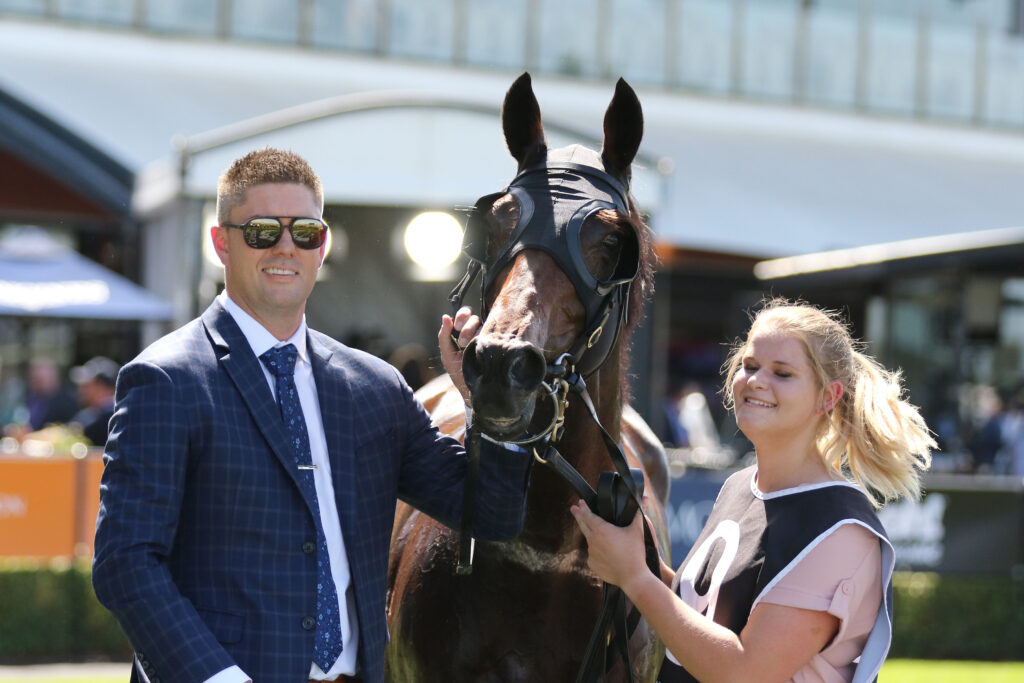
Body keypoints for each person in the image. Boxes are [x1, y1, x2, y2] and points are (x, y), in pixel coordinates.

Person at [92, 147, 531, 683]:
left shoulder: (374, 387)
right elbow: (126, 564)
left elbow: (491, 516)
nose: (286, 247)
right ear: (221, 242)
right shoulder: (165, 379)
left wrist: (489, 406)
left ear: (322, 247)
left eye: (304, 232)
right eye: (262, 231)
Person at [571, 299, 934, 683]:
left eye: (782, 373)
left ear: (828, 397)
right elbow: (697, 620)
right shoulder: (739, 487)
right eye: (750, 365)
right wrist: (641, 558)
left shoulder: (842, 530)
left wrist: (635, 577)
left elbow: (745, 672)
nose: (757, 380)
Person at [69, 356, 120, 446]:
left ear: (101, 387)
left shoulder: (111, 417)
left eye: (87, 385)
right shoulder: (89, 414)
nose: (82, 391)